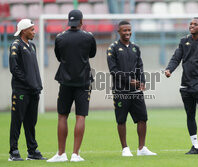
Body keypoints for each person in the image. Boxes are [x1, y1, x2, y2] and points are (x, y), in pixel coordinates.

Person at [47, 9, 96, 162]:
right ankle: (75, 154)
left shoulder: (60, 37)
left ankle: (61, 154)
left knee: (62, 116)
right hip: (83, 82)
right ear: (81, 21)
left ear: (69, 21)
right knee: (80, 116)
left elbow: (58, 56)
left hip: (65, 82)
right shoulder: (89, 37)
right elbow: (92, 54)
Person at [164, 17, 198, 155]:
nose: (191, 26)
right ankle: (195, 147)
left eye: (195, 24)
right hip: (186, 85)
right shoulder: (183, 41)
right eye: (191, 24)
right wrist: (169, 69)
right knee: (190, 115)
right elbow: (176, 57)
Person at [107, 20, 156, 157]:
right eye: (124, 30)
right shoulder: (113, 48)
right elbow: (113, 70)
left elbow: (140, 66)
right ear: (119, 32)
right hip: (121, 91)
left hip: (136, 91)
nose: (127, 33)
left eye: (129, 30)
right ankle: (125, 148)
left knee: (142, 118)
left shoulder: (135, 48)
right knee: (121, 120)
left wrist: (142, 82)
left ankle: (142, 148)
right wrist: (129, 81)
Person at [8, 19, 46, 161]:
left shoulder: (32, 46)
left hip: (34, 90)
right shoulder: (15, 45)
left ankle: (32, 151)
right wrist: (28, 82)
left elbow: (33, 69)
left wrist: (36, 85)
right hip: (21, 91)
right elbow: (14, 68)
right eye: (31, 29)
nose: (34, 32)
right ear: (24, 31)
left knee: (31, 122)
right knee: (17, 121)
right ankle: (14, 151)